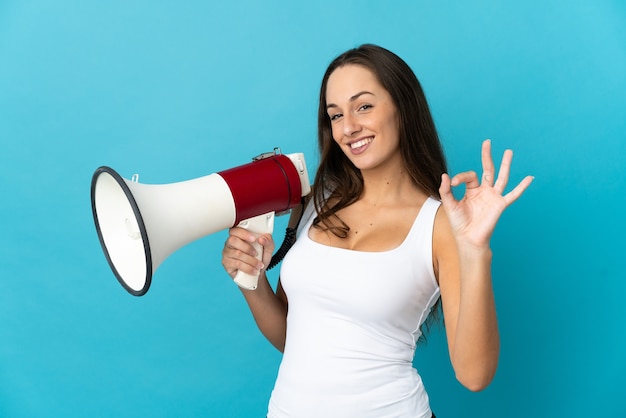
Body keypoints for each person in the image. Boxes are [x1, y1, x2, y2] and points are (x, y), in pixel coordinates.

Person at [221, 44, 533, 418]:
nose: (349, 127)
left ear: (403, 107)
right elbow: (294, 338)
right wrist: (251, 280)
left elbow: (474, 375)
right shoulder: (315, 201)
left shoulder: (438, 225)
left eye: (364, 106)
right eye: (335, 115)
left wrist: (475, 251)